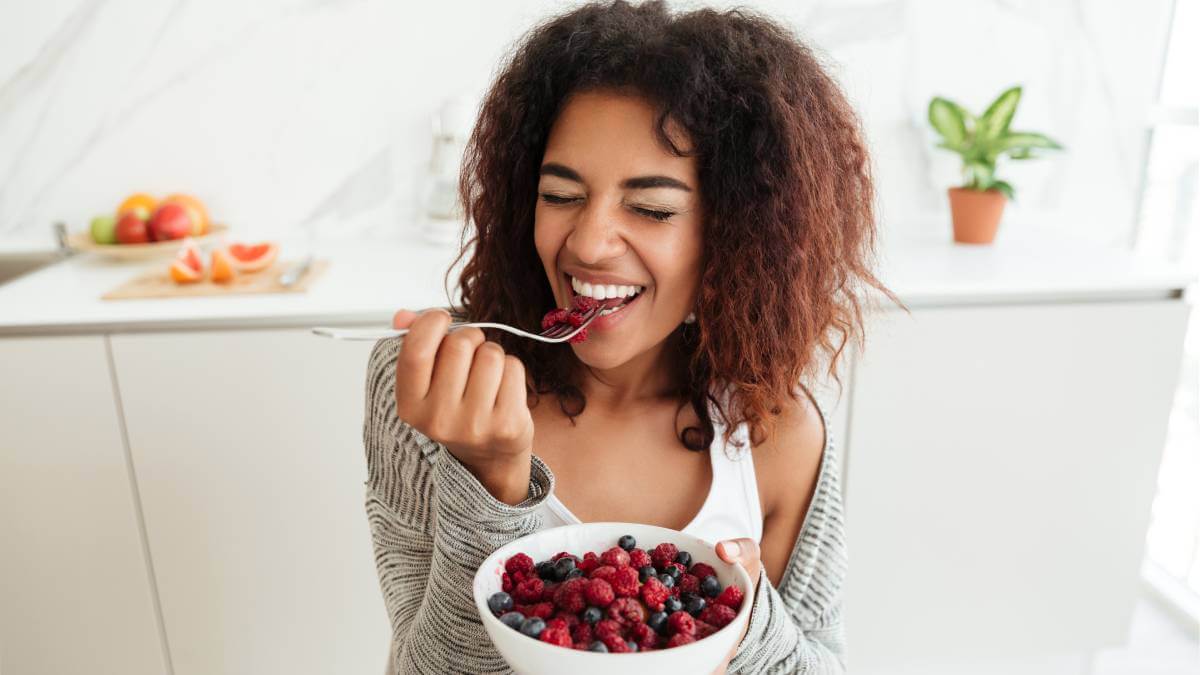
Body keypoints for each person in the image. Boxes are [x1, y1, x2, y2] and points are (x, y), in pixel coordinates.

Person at [363, 1, 903, 672]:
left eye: (651, 208)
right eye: (560, 195)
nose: (587, 242)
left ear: (737, 234)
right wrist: (491, 482)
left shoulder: (776, 430)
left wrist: (745, 617)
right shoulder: (432, 393)